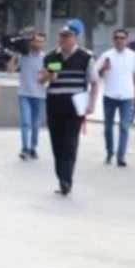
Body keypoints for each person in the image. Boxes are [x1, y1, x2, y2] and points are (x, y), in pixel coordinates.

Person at [40, 25, 98, 196]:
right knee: (57, 144)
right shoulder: (51, 57)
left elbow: (94, 82)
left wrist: (92, 104)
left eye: (67, 36)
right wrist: (47, 77)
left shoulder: (85, 57)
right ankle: (61, 177)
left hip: (75, 107)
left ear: (75, 38)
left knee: (70, 144)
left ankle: (66, 179)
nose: (63, 39)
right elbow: (41, 79)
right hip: (55, 105)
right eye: (61, 35)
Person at [96, 28, 135, 167]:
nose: (119, 40)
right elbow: (97, 75)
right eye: (116, 38)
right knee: (108, 127)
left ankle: (121, 156)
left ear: (127, 40)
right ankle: (110, 152)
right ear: (113, 40)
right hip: (110, 95)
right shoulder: (106, 56)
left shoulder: (133, 56)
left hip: (127, 96)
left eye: (122, 38)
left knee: (124, 127)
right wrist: (103, 68)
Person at [7, 30, 48, 160]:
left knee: (35, 125)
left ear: (44, 43)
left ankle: (33, 148)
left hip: (39, 95)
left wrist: (45, 76)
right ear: (31, 42)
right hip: (24, 94)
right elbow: (10, 70)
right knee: (26, 122)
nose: (38, 43)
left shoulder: (45, 58)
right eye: (36, 41)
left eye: (41, 41)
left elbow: (50, 75)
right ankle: (25, 148)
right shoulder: (23, 56)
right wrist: (15, 54)